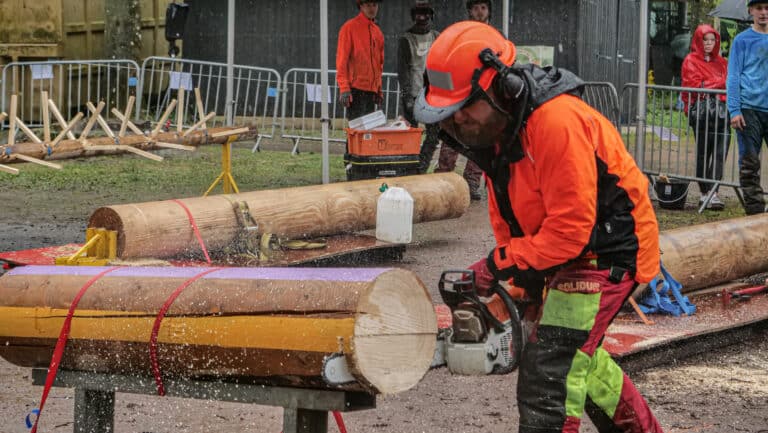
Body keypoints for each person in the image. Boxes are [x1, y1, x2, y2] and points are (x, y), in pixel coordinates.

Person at [414, 21, 663, 433]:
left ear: (503, 87)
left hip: (605, 250)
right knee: (575, 354)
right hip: (563, 250)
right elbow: (511, 217)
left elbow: (570, 230)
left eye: (464, 106)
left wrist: (498, 265)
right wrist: (521, 278)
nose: (457, 121)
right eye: (448, 111)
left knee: (549, 372)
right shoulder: (497, 134)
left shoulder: (555, 122)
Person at [431, 0, 492, 199]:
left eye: (483, 7)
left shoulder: (494, 37)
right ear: (469, 11)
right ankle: (443, 178)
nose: (480, 12)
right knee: (453, 134)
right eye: (476, 8)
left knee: (480, 139)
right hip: (461, 92)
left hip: (483, 95)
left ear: (488, 11)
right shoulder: (461, 34)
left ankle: (471, 183)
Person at [681, 24, 730, 211]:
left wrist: (713, 84)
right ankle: (704, 193)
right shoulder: (691, 61)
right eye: (705, 40)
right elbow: (695, 85)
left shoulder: (722, 62)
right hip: (702, 114)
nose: (709, 44)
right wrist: (720, 83)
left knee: (720, 153)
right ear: (698, 41)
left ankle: (714, 193)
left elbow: (729, 82)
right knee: (704, 152)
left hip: (722, 112)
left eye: (712, 40)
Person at [727, 0, 768, 215]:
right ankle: (755, 215)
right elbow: (733, 76)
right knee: (750, 164)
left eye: (767, 8)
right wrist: (734, 110)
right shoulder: (742, 41)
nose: (764, 13)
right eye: (759, 8)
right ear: (751, 10)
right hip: (749, 109)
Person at [397, 1, 441, 173]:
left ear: (431, 15)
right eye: (418, 14)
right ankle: (408, 165)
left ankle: (421, 166)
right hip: (413, 92)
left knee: (434, 134)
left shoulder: (437, 37)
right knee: (410, 134)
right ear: (413, 16)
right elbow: (402, 69)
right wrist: (407, 95)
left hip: (433, 94)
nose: (422, 18)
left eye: (425, 14)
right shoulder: (405, 39)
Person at [336, 0, 384, 122]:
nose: (372, 8)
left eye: (374, 4)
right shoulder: (349, 27)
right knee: (357, 131)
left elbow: (379, 64)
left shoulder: (377, 32)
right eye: (368, 5)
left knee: (367, 133)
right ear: (361, 6)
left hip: (370, 90)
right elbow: (342, 60)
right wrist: (344, 88)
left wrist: (378, 89)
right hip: (355, 89)